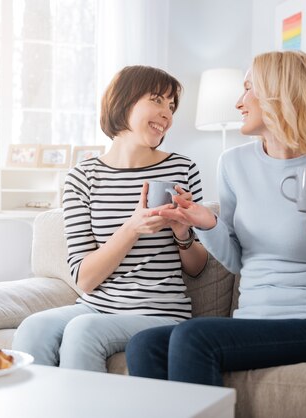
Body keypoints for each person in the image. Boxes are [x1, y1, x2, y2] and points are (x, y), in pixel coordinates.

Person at [125, 50, 306, 386]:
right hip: (253, 321)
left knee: (194, 337)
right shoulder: (233, 164)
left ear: (278, 95)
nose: (239, 102)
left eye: (248, 89)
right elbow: (236, 261)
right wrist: (207, 223)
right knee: (145, 345)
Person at [11, 65, 209, 372]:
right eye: (157, 100)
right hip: (96, 306)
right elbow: (86, 278)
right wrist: (132, 228)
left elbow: (197, 268)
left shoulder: (182, 170)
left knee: (84, 331)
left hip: (159, 313)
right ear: (123, 101)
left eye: (171, 107)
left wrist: (183, 234)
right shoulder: (82, 178)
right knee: (33, 328)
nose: (167, 114)